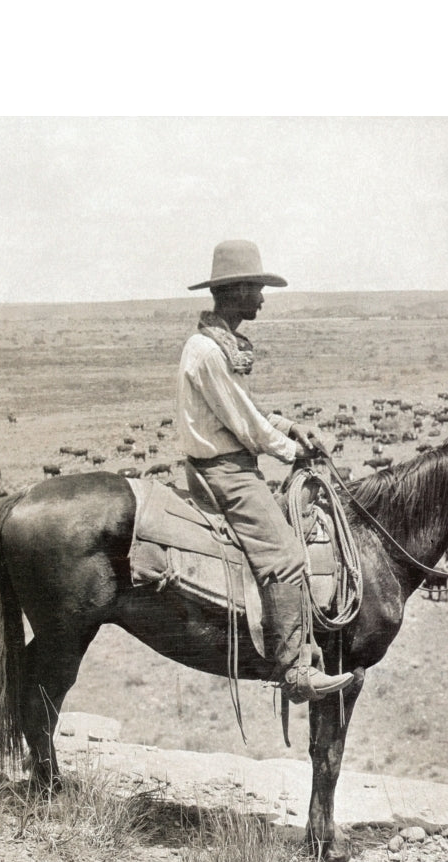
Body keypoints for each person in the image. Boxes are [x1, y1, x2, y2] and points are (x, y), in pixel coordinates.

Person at [177, 239, 353, 703]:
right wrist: (290, 450)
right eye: (255, 288)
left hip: (229, 462)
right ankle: (295, 670)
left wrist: (292, 427)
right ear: (234, 291)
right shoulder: (209, 353)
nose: (261, 297)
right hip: (226, 472)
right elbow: (246, 426)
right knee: (288, 556)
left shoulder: (215, 345)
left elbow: (245, 411)